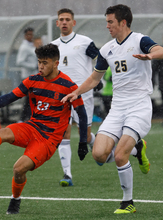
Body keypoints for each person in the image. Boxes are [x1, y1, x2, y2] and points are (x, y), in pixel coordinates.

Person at [0, 44, 88, 215]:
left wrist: (83, 141)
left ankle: (15, 199)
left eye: (45, 63)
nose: (40, 66)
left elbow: (82, 115)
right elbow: (9, 97)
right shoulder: (33, 80)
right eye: (39, 62)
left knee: (18, 169)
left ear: (56, 63)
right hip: (31, 127)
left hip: (48, 140)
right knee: (3, 132)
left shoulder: (68, 86)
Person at [61, 4, 163, 214]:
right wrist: (76, 92)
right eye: (106, 21)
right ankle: (138, 149)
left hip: (139, 106)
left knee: (119, 156)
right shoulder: (107, 49)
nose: (107, 25)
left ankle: (128, 202)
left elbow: (160, 49)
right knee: (98, 155)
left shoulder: (140, 40)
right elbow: (94, 78)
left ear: (123, 22)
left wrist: (149, 56)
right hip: (117, 108)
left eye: (110, 22)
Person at [51, 8, 102, 187]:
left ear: (73, 23)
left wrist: (98, 80)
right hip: (61, 96)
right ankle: (67, 174)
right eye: (61, 19)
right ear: (57, 23)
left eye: (67, 19)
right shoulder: (53, 46)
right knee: (63, 132)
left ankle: (98, 150)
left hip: (83, 94)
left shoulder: (85, 42)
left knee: (85, 135)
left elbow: (101, 59)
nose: (64, 22)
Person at [16, 27, 38, 122]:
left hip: (33, 76)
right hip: (27, 77)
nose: (31, 36)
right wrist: (33, 65)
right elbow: (19, 62)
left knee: (30, 99)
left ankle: (26, 118)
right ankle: (23, 118)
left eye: (32, 34)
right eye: (29, 34)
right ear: (25, 36)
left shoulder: (31, 46)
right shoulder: (24, 47)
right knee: (29, 99)